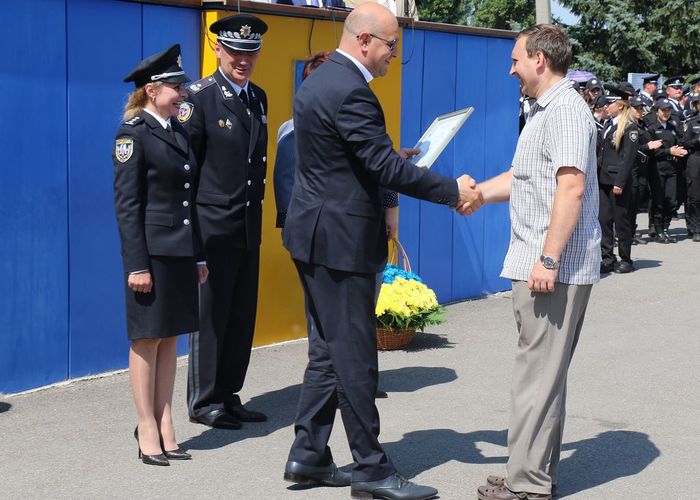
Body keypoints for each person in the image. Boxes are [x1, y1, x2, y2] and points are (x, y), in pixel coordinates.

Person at [281, 4, 481, 499]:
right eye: (392, 44)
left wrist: (395, 157)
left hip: (318, 236)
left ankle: (309, 455)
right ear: (365, 40)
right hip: (341, 243)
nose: (395, 53)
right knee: (354, 357)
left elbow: (350, 158)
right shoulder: (352, 90)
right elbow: (381, 168)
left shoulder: (321, 81)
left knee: (328, 350)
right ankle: (371, 470)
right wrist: (452, 191)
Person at [473, 25, 601, 500]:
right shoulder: (547, 110)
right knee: (543, 376)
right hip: (542, 262)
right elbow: (523, 177)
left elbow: (571, 188)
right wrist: (475, 195)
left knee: (537, 376)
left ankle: (526, 484)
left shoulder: (564, 110)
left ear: (539, 60)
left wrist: (548, 259)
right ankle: (530, 472)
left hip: (552, 268)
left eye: (516, 60)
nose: (512, 70)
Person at [113, 44, 208, 466]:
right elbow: (128, 206)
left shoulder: (178, 132)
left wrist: (198, 255)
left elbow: (190, 200)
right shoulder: (132, 135)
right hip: (150, 256)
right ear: (152, 91)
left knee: (171, 337)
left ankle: (166, 420)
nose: (183, 93)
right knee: (147, 338)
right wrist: (137, 265)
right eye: (176, 87)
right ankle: (146, 426)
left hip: (181, 252)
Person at [179, 14, 269, 429]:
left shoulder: (258, 98)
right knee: (211, 317)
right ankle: (204, 400)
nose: (243, 60)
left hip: (247, 224)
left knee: (240, 315)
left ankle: (229, 392)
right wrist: (191, 237)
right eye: (235, 52)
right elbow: (187, 173)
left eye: (250, 53)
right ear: (217, 49)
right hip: (212, 226)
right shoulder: (198, 99)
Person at [598, 85, 639, 274]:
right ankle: (607, 257)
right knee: (604, 221)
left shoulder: (629, 127)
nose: (606, 106)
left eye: (610, 103)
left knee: (621, 222)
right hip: (603, 180)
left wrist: (620, 182)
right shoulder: (608, 124)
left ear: (620, 105)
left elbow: (628, 158)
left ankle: (625, 259)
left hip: (617, 182)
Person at [646, 98, 687, 243]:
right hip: (657, 168)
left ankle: (665, 228)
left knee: (671, 200)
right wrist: (669, 151)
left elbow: (678, 143)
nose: (666, 113)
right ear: (657, 111)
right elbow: (653, 152)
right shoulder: (652, 128)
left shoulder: (673, 126)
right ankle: (658, 231)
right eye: (663, 110)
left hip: (671, 168)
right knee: (659, 200)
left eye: (668, 110)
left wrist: (679, 151)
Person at [629, 95, 662, 244]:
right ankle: (627, 233)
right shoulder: (628, 125)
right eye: (636, 108)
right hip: (632, 167)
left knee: (637, 199)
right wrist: (647, 146)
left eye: (641, 108)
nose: (640, 111)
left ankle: (631, 231)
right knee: (630, 201)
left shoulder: (642, 124)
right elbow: (630, 148)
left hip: (643, 167)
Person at [680, 93, 700, 241]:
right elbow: (684, 143)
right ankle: (695, 227)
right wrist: (697, 140)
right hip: (696, 159)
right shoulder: (692, 123)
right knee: (695, 196)